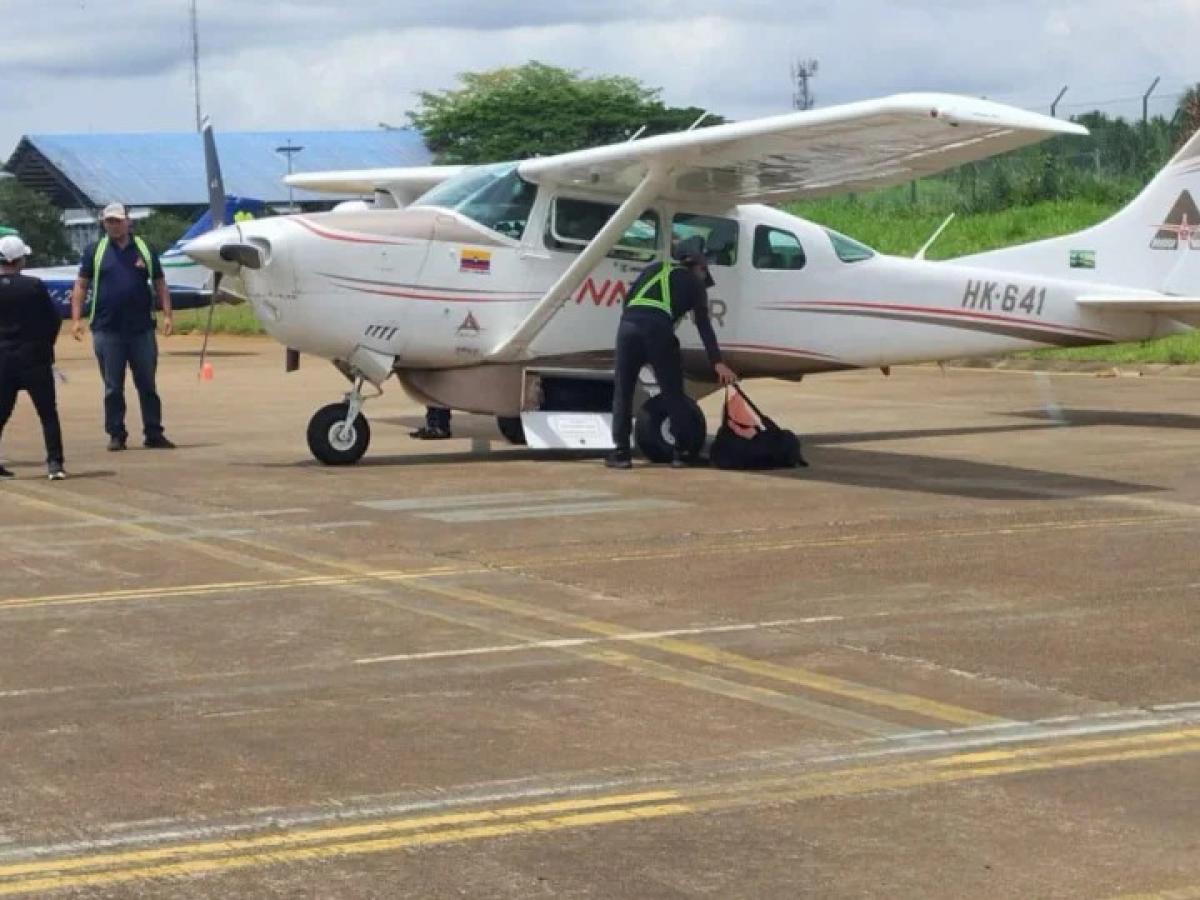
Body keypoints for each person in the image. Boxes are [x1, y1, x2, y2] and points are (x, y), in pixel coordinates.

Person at [607, 236, 736, 469]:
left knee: (623, 392)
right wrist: (717, 362)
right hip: (658, 331)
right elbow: (703, 326)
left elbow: (628, 301)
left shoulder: (653, 269)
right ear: (699, 266)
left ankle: (621, 453)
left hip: (627, 329)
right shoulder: (695, 284)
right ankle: (682, 453)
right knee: (672, 392)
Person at [69, 203, 175, 452]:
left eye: (117, 221)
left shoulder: (145, 249)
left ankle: (153, 432)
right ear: (104, 224)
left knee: (147, 384)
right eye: (109, 221)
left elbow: (159, 283)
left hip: (141, 330)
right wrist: (76, 319)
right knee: (112, 386)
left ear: (128, 221)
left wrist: (167, 314)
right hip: (107, 329)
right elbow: (81, 285)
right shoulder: (95, 251)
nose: (114, 225)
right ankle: (116, 433)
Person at [0, 235, 67, 480]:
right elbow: (53, 319)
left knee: (1, 413)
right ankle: (55, 463)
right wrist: (46, 346)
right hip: (34, 357)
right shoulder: (33, 285)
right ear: (18, 260)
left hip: (3, 359)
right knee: (48, 413)